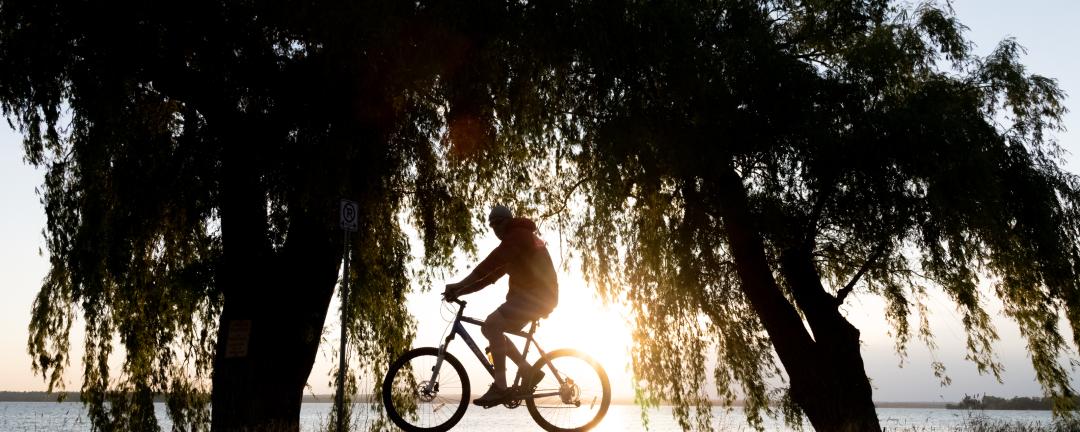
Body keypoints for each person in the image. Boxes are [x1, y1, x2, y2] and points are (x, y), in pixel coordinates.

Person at [442, 205, 559, 407]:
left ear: (507, 221)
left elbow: (487, 265)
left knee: (493, 323)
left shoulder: (517, 236)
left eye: (498, 223)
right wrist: (459, 291)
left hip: (537, 296)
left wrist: (458, 286)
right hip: (534, 296)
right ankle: (528, 371)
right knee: (489, 328)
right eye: (491, 225)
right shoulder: (516, 241)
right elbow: (487, 278)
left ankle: (500, 386)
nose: (495, 228)